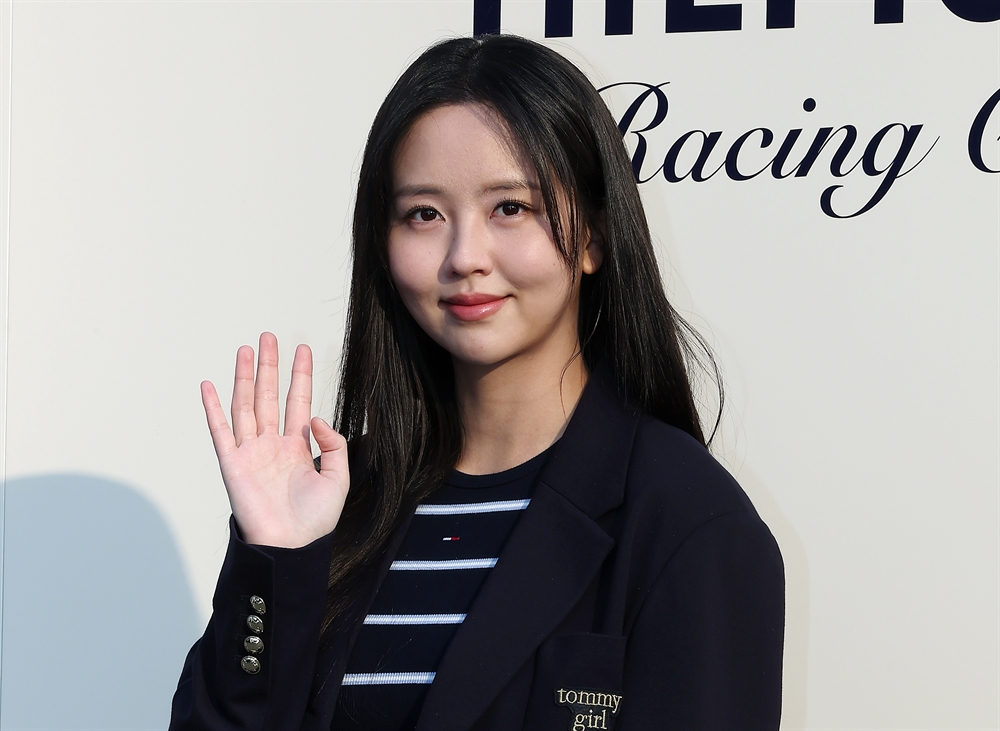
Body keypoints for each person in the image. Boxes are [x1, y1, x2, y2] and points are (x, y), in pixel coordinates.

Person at [169, 34, 784, 731]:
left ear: (593, 236)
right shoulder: (341, 505)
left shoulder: (689, 523)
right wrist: (278, 563)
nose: (465, 257)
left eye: (510, 208)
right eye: (424, 214)